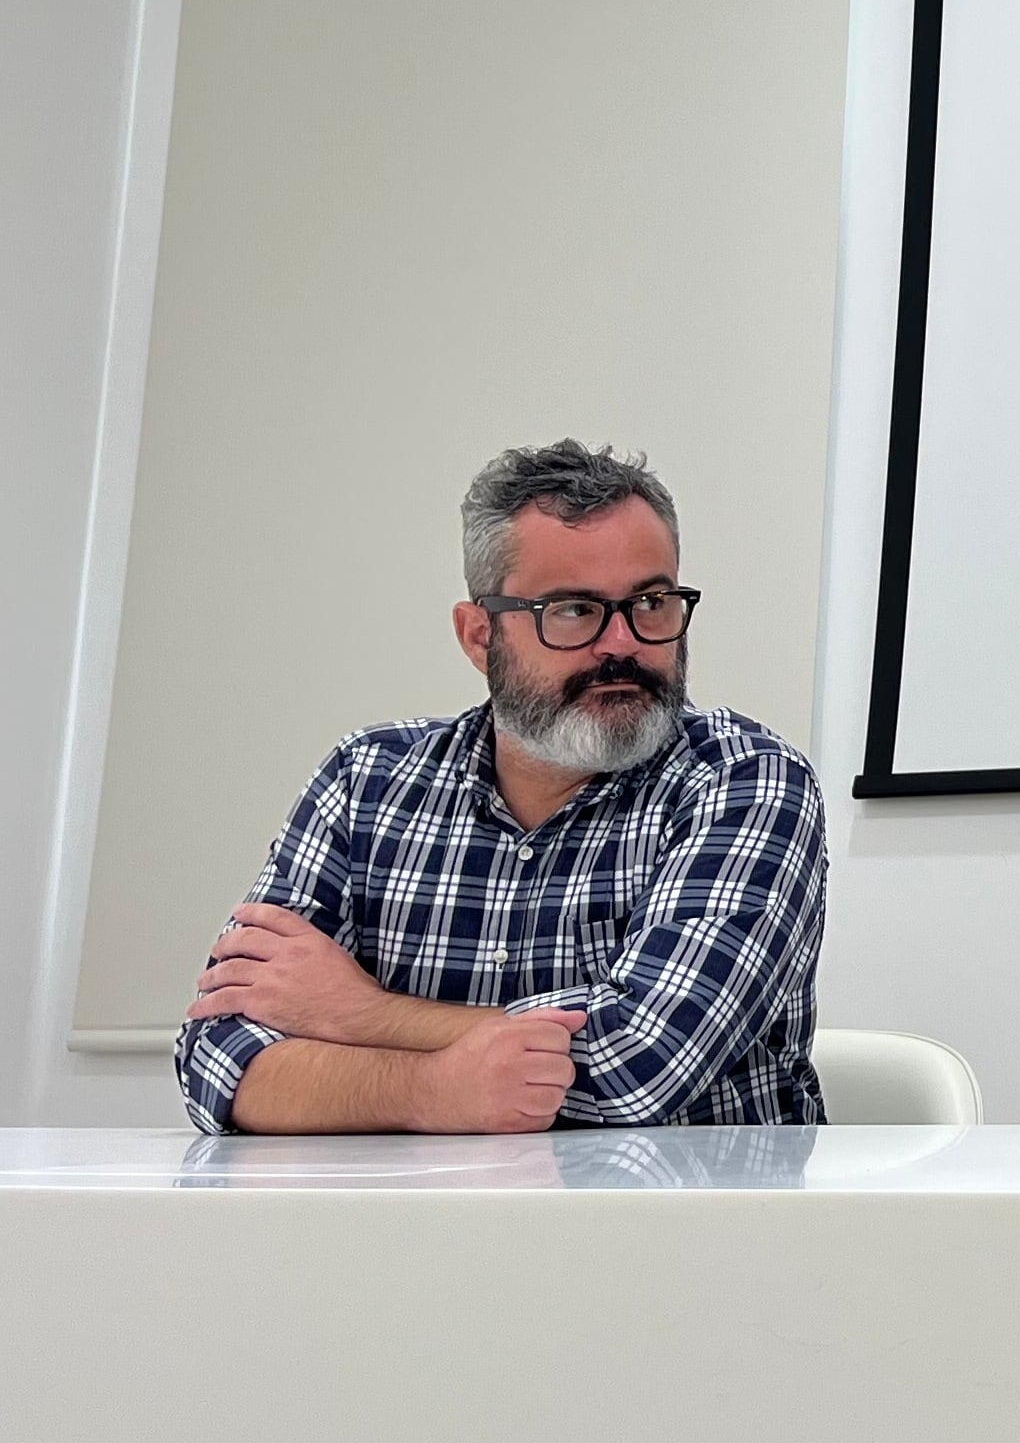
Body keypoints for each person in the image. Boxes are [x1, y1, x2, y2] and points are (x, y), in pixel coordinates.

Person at [175, 442, 827, 1134]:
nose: (624, 644)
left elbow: (638, 1062)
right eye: (575, 610)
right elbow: (218, 1058)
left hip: (683, 1232)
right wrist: (425, 1090)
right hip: (404, 1230)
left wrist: (362, 1014)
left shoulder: (744, 780)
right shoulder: (364, 780)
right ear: (479, 634)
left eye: (652, 601)